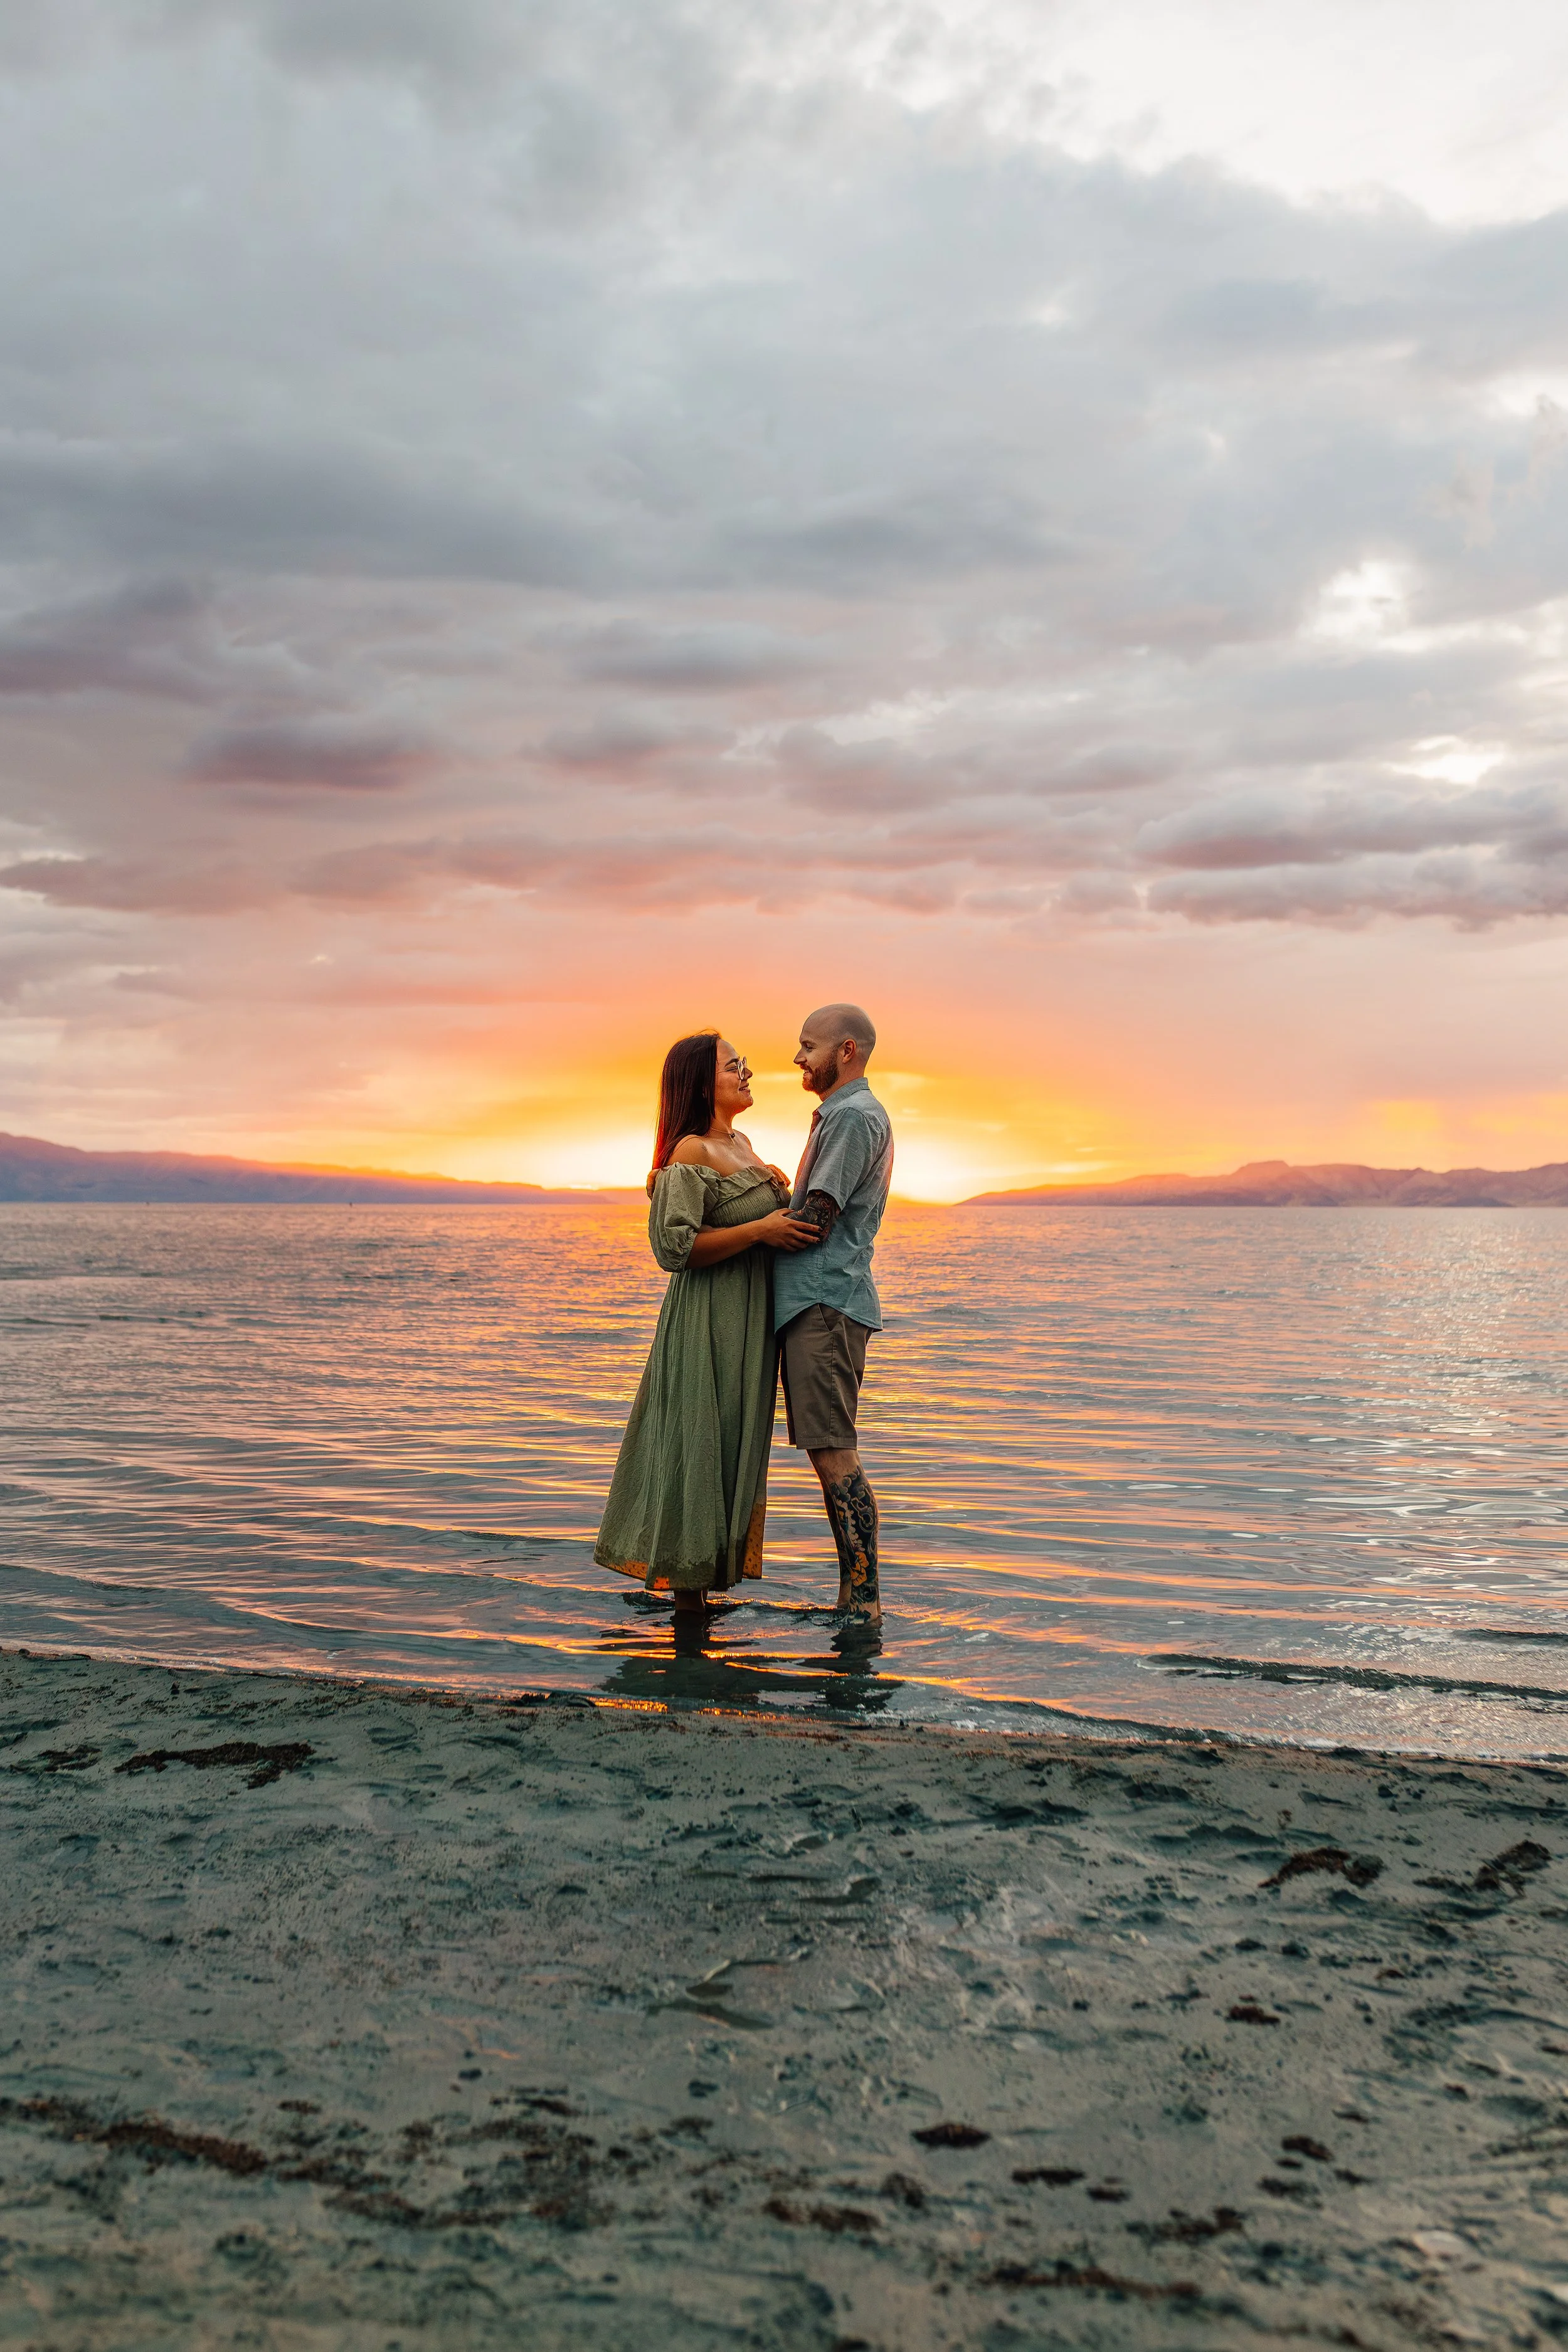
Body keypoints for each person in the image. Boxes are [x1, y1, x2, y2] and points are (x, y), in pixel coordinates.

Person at [594, 1030, 817, 1616]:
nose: (746, 1073)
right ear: (700, 1083)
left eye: (744, 1064)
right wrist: (759, 1229)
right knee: (699, 1444)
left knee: (729, 1445)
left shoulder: (742, 1143)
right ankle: (687, 1617)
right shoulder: (689, 1152)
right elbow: (675, 1249)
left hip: (749, 1324)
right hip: (706, 1322)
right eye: (732, 1066)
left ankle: (699, 1605)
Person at [772, 1004, 894, 1623]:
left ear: (845, 1050)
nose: (798, 1057)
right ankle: (854, 1598)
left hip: (825, 1300)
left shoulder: (851, 1118)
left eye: (807, 1045)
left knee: (835, 1453)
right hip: (821, 1300)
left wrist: (743, 1220)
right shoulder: (844, 1116)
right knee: (828, 1452)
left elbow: (816, 1219)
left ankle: (863, 1603)